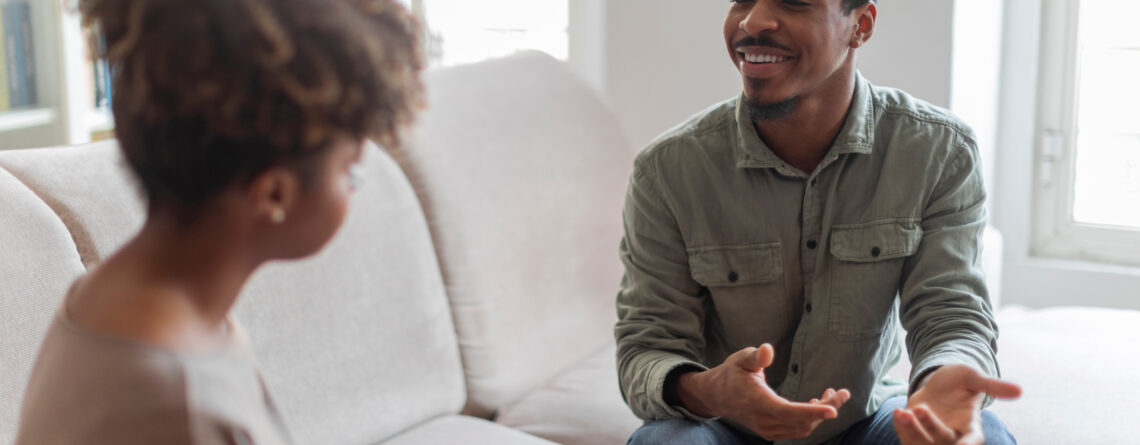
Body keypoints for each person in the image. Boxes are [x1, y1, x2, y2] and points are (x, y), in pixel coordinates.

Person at [614, 1, 1022, 444]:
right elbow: (647, 346)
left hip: (865, 423)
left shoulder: (939, 151)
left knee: (984, 438)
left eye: (792, 2)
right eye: (742, 1)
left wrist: (943, 381)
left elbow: (953, 313)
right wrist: (710, 391)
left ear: (860, 26)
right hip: (722, 427)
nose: (752, 21)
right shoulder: (668, 170)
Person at [16, 0, 422, 443]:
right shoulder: (179, 405)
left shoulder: (120, 297)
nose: (355, 186)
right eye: (350, 170)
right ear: (274, 194)